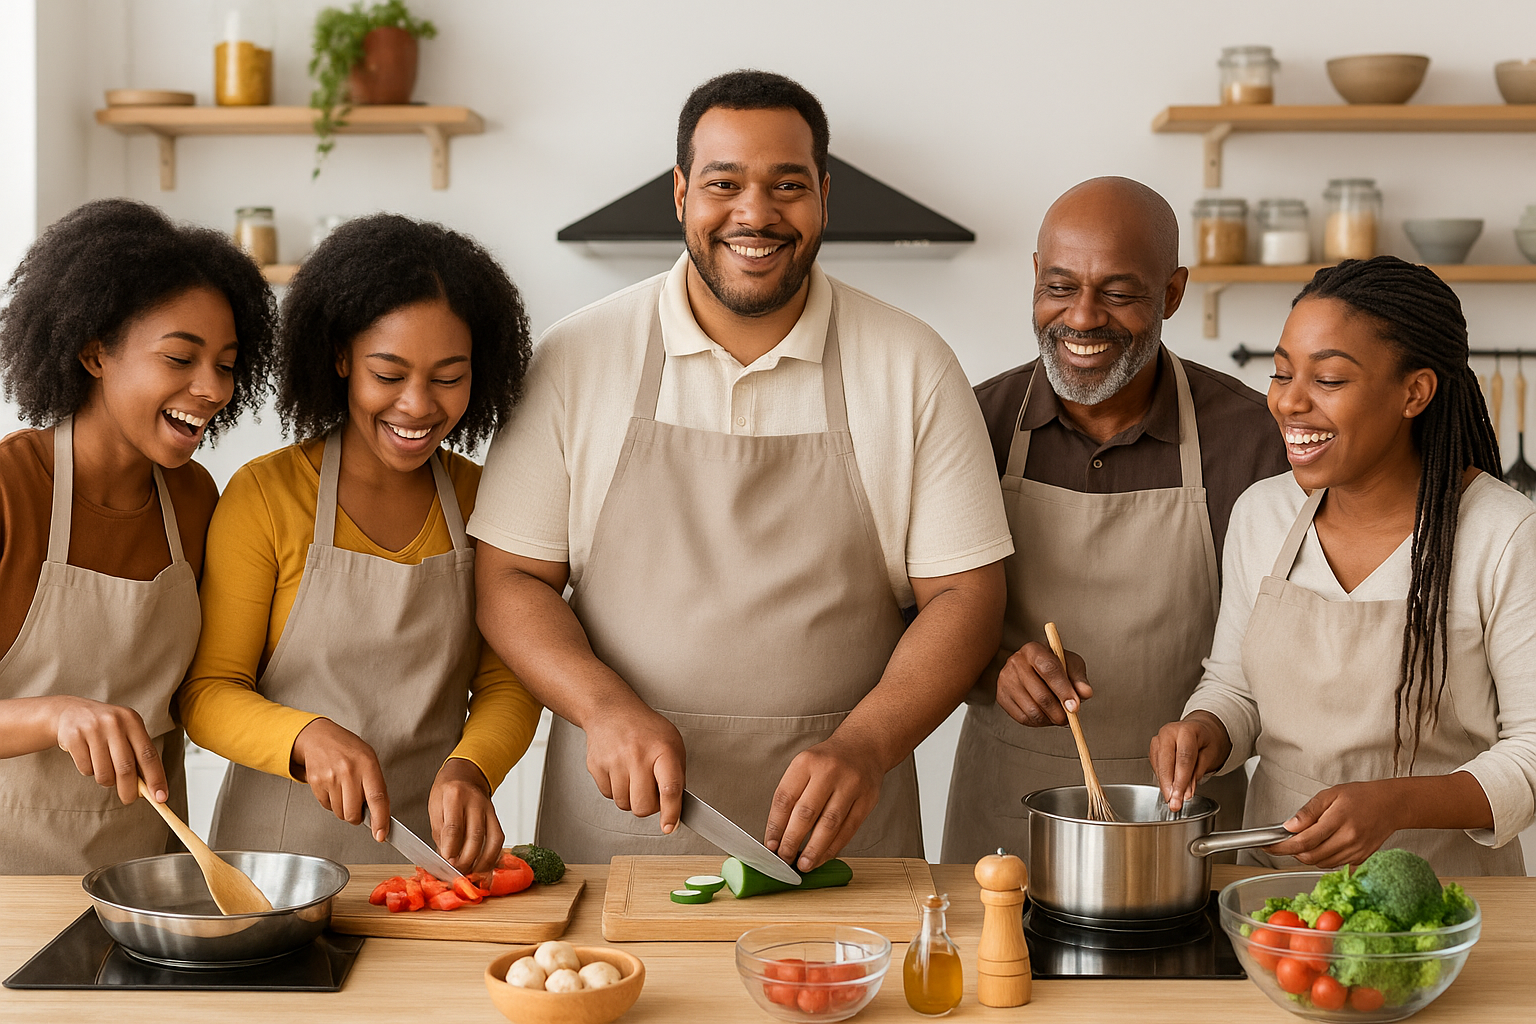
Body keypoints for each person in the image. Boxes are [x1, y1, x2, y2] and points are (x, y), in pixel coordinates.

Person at [472, 70, 1011, 870]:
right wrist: (604, 706)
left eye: (786, 185)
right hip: (621, 829)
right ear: (682, 193)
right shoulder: (576, 357)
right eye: (724, 183)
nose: (755, 214)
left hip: (843, 832)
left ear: (825, 197)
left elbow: (967, 594)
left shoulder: (912, 364)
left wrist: (866, 744)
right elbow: (509, 578)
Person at [177, 215, 542, 873]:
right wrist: (304, 735)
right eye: (389, 373)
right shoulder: (264, 496)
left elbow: (507, 679)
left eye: (448, 376)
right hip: (274, 865)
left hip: (432, 860)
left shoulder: (486, 498)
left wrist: (473, 768)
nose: (417, 405)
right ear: (341, 358)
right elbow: (207, 693)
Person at [941, 177, 1290, 864]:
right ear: (1035, 278)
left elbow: (1288, 648)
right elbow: (907, 614)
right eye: (1061, 286)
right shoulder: (969, 425)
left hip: (1189, 821)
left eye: (1120, 293)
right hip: (1005, 821)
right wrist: (990, 669)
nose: (1083, 317)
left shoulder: (1252, 440)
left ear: (1172, 292)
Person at [1151, 256, 1536, 874]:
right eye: (1282, 373)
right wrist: (1205, 730)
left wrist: (1395, 804)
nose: (1289, 403)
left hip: (1447, 902)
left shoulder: (1503, 533)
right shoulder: (1263, 514)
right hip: (1274, 898)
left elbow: (1531, 754)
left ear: (1415, 392)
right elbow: (1236, 689)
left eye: (1328, 379)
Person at [0, 198, 273, 873]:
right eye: (180, 358)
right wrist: (55, 716)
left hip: (146, 884)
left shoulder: (195, 500)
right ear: (95, 352)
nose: (211, 389)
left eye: (227, 364)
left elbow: (205, 687)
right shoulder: (11, 490)